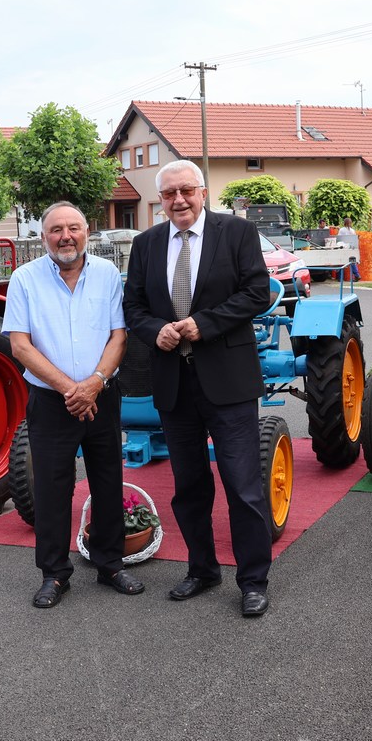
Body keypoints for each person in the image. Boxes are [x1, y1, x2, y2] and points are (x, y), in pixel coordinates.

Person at [123, 160, 275, 617]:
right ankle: (202, 569)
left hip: (228, 381)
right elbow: (133, 306)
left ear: (203, 192)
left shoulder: (237, 233)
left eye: (186, 190)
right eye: (169, 194)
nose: (179, 200)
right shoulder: (147, 244)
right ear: (160, 200)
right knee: (189, 487)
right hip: (174, 385)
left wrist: (202, 324)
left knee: (242, 486)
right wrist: (155, 331)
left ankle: (253, 581)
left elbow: (256, 292)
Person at [2, 201, 144, 609]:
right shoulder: (24, 279)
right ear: (43, 237)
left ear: (86, 232)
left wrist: (94, 384)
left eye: (74, 228)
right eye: (56, 230)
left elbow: (119, 336)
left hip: (102, 395)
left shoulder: (107, 275)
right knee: (52, 488)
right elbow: (20, 345)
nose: (66, 236)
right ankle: (54, 574)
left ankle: (110, 564)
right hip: (52, 401)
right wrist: (72, 390)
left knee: (107, 480)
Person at [336, 217, 361, 281]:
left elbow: (339, 239)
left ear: (344, 223)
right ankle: (357, 275)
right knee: (352, 261)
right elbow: (355, 239)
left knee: (341, 262)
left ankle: (340, 278)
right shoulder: (352, 230)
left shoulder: (342, 230)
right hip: (351, 248)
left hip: (344, 248)